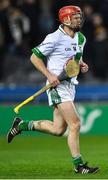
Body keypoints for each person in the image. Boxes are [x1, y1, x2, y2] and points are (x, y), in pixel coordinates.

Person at [7, 5, 99, 174]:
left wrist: (81, 64)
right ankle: (79, 166)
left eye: (80, 17)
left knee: (58, 130)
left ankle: (22, 125)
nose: (79, 20)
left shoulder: (81, 39)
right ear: (65, 19)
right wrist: (49, 75)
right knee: (76, 123)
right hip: (57, 87)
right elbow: (34, 57)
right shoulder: (54, 38)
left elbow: (75, 59)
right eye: (76, 17)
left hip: (70, 85)